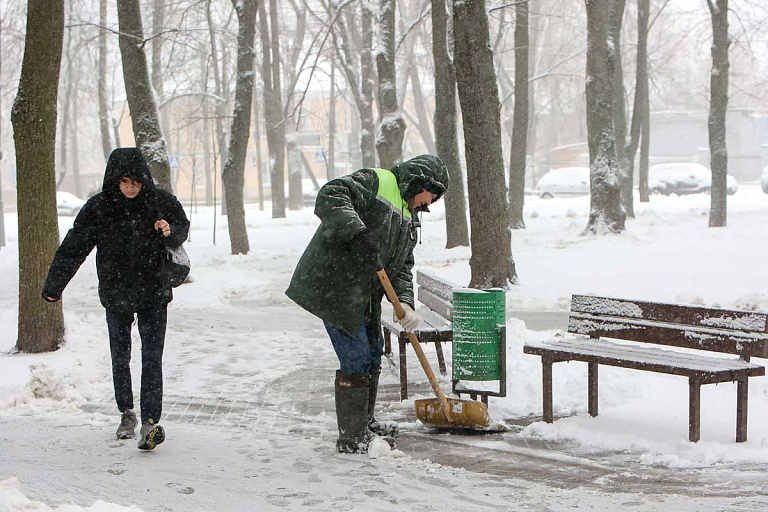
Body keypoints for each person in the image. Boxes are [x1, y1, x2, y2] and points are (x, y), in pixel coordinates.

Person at [286, 154, 449, 454]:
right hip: (335, 285)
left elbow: (402, 266)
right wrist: (358, 232)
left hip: (364, 294)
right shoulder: (378, 182)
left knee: (373, 352)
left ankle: (366, 423)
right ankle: (351, 437)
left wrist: (405, 302)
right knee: (356, 357)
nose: (431, 203)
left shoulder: (410, 217)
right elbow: (331, 195)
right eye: (433, 194)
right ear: (423, 182)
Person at [42, 148, 190, 451]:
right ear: (114, 180)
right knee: (120, 357)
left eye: (135, 181)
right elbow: (74, 247)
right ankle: (127, 413)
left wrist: (169, 230)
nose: (130, 188)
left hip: (153, 292)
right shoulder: (100, 207)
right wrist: (55, 285)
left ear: (144, 180)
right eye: (124, 182)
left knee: (152, 357)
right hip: (116, 292)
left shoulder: (161, 202)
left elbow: (181, 231)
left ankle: (150, 420)